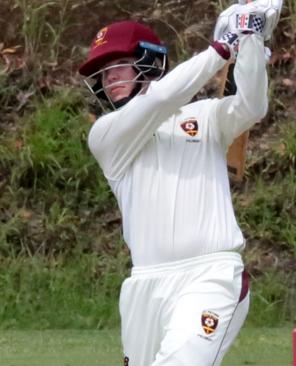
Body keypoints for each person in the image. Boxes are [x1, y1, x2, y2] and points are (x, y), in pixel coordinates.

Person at [77, 2, 279, 364]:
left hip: (209, 275)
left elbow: (251, 106)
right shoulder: (106, 135)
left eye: (117, 66)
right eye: (103, 74)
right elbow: (162, 98)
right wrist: (222, 49)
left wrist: (250, 42)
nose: (109, 79)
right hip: (144, 285)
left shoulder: (203, 116)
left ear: (150, 61)